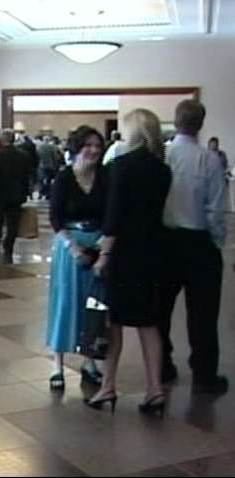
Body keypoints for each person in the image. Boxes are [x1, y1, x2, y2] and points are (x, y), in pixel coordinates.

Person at [86, 109, 172, 415]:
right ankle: (154, 389)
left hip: (124, 254)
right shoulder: (163, 170)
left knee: (114, 323)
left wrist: (104, 255)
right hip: (153, 251)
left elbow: (114, 216)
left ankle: (108, 386)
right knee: (149, 324)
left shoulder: (120, 167)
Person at [157, 100, 229, 395]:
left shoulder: (163, 156)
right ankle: (204, 372)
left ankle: (161, 364)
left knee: (161, 308)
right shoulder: (209, 159)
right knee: (203, 312)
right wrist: (217, 241)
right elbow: (216, 208)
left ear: (175, 122)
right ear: (201, 123)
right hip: (199, 241)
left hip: (166, 240)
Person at [45, 126, 107, 391]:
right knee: (65, 302)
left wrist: (104, 245)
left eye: (97, 145)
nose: (93, 150)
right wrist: (72, 247)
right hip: (70, 244)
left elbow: (112, 213)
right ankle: (57, 364)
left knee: (94, 306)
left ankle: (89, 360)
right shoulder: (64, 178)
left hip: (98, 243)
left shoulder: (105, 177)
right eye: (88, 145)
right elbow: (56, 217)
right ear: (77, 147)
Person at [0, 129, 31, 264]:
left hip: (0, 193)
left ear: (2, 140)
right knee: (13, 222)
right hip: (16, 193)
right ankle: (8, 245)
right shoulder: (23, 155)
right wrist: (25, 192)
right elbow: (26, 176)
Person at [36, 134, 62, 200]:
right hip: (50, 166)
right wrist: (56, 165)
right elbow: (55, 157)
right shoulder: (52, 147)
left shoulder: (39, 147)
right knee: (49, 181)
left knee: (41, 180)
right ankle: (48, 194)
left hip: (41, 165)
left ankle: (41, 193)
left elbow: (37, 156)